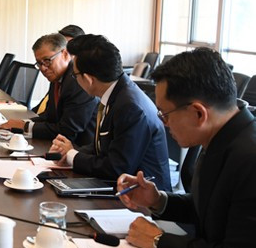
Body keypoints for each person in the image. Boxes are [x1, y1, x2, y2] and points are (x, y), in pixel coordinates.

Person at [117, 48, 256, 248]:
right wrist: (158, 200)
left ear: (198, 113)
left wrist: (159, 240)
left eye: (165, 114)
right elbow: (213, 210)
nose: (164, 123)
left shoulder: (249, 158)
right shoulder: (224, 136)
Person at [49, 34, 172, 191]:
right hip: (118, 187)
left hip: (142, 197)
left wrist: (72, 155)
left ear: (88, 79)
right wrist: (70, 151)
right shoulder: (118, 93)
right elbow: (104, 148)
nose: (74, 79)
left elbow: (117, 168)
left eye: (75, 75)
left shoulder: (130, 107)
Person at [0, 33, 97, 145]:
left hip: (79, 148)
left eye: (47, 60)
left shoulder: (78, 81)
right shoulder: (57, 78)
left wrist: (25, 126)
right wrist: (21, 123)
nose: (43, 68)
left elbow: (67, 131)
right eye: (39, 63)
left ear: (65, 54)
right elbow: (49, 116)